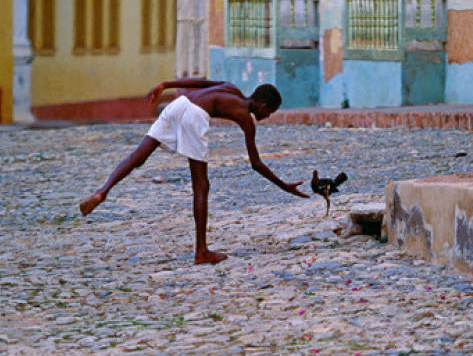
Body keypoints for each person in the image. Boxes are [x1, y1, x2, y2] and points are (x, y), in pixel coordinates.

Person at [79, 78, 309, 265]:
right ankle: (201, 251)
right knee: (201, 185)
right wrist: (284, 187)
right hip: (195, 115)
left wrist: (165, 85)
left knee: (139, 155)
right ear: (262, 106)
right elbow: (256, 163)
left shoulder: (232, 88)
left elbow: (201, 82)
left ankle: (103, 191)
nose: (267, 117)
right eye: (270, 112)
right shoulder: (245, 117)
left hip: (179, 103)